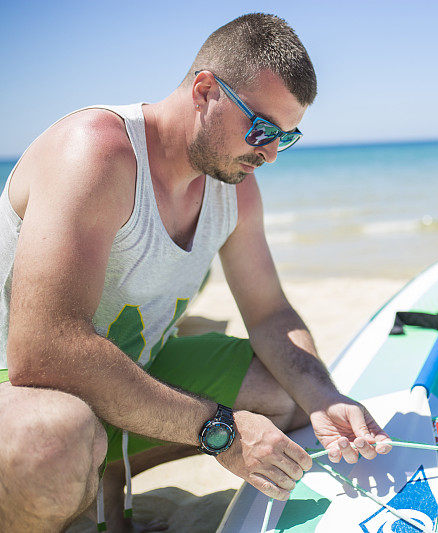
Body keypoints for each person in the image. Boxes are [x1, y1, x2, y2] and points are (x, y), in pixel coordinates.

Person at [0, 13, 391, 532]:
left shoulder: (235, 188)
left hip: (128, 372)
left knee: (285, 394)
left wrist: (326, 399)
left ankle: (106, 471)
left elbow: (270, 311)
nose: (270, 153)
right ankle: (74, 474)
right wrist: (220, 430)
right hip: (20, 381)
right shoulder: (96, 153)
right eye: (262, 129)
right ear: (205, 91)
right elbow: (42, 351)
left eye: (287, 138)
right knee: (53, 442)